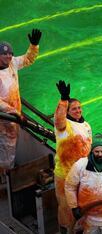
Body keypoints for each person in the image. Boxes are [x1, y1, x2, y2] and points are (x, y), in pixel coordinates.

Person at [54, 80, 92, 234]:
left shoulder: (86, 125)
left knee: (79, 208)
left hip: (82, 175)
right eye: (74, 108)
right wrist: (63, 99)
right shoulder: (64, 126)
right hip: (65, 176)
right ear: (68, 111)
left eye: (79, 108)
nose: (78, 111)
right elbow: (58, 119)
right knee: (66, 210)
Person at [0, 29, 42, 170]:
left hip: (15, 115)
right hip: (5, 118)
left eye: (10, 53)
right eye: (4, 54)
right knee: (7, 149)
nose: (9, 56)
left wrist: (34, 46)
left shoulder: (12, 64)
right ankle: (5, 181)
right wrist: (14, 112)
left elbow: (27, 59)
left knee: (9, 148)